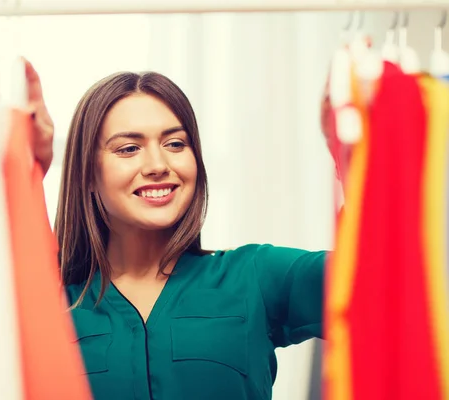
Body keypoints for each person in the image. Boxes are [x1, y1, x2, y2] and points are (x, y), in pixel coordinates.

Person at [25, 60, 332, 400]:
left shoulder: (255, 277)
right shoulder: (52, 304)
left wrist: (355, 151)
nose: (158, 165)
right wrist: (28, 172)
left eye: (175, 144)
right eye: (129, 148)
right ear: (87, 175)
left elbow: (379, 279)